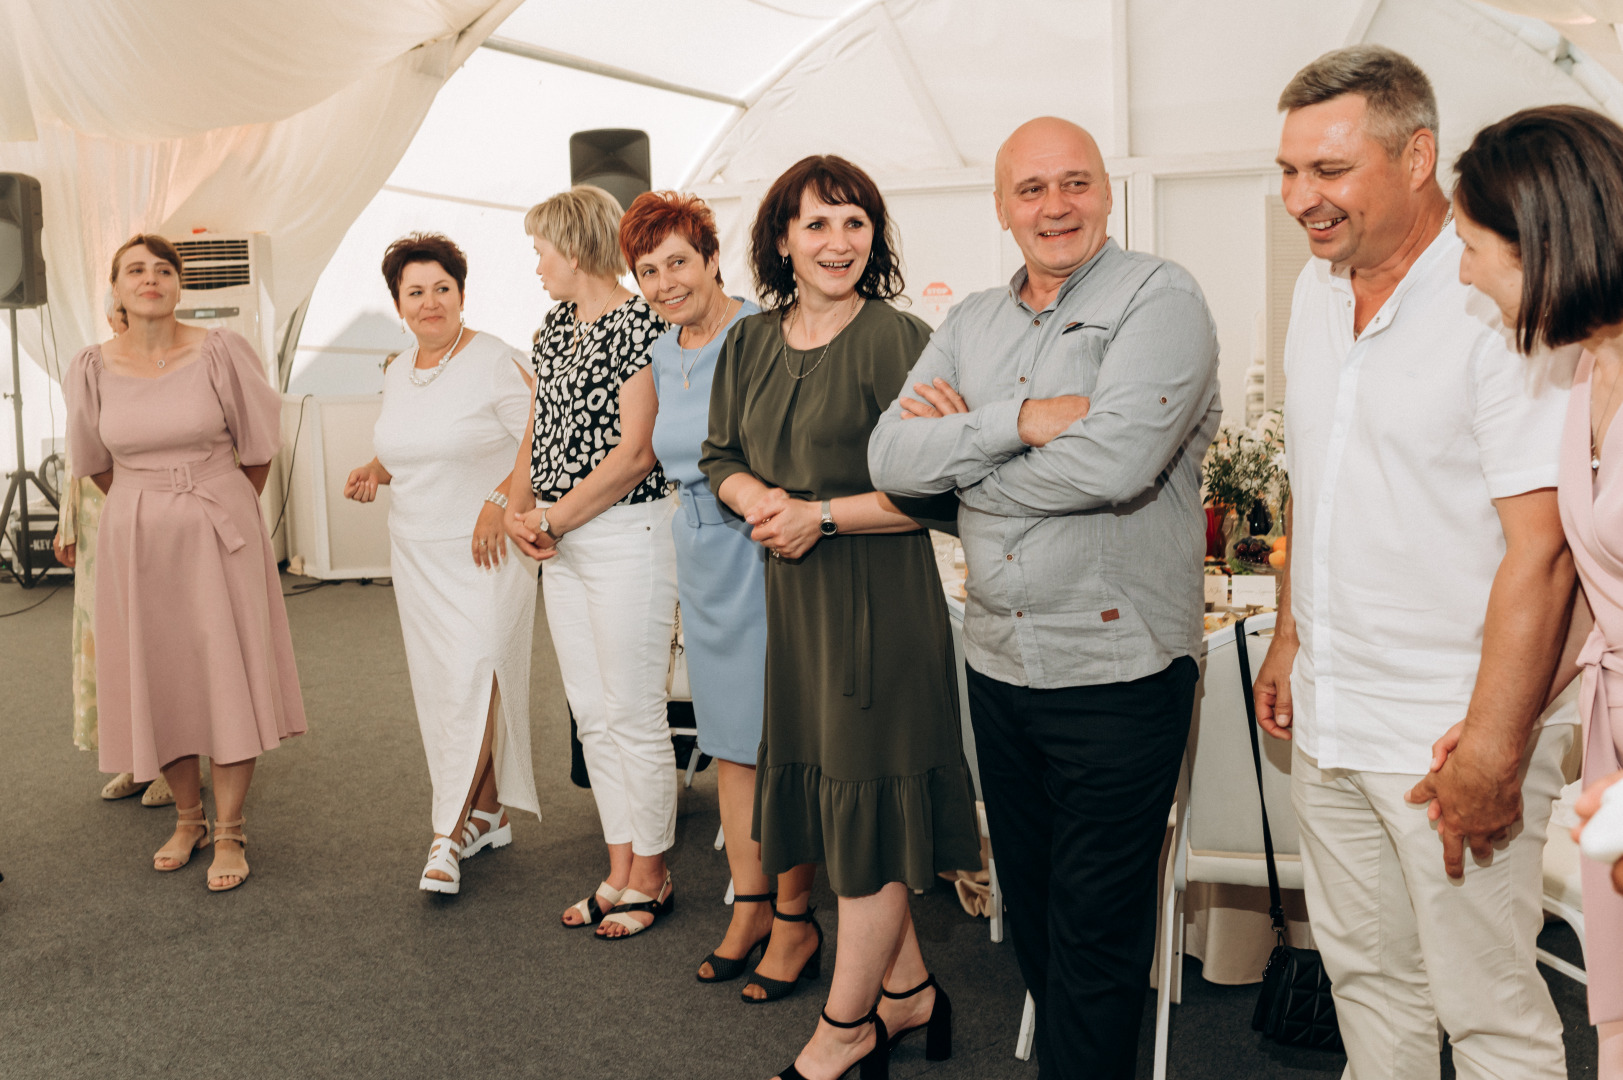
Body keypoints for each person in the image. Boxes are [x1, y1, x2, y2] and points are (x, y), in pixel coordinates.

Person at [869, 118, 1221, 1079]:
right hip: (999, 666)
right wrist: (1020, 422)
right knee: (1031, 913)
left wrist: (966, 466)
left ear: (1106, 194)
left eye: (1073, 184)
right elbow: (889, 458)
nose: (1053, 206)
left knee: (1099, 936)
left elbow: (1116, 462)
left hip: (1119, 669)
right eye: (1030, 189)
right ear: (1000, 208)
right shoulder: (971, 320)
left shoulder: (1160, 298)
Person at [1253, 48, 1575, 1079]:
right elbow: (1318, 474)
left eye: (1330, 171)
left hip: (1448, 735)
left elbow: (1545, 549)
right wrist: (1289, 637)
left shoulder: (1498, 293)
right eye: (1290, 170)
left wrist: (1492, 745)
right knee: (1369, 992)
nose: (1302, 198)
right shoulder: (1314, 289)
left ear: (1418, 154)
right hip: (1331, 714)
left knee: (1487, 1015)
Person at [701, 154, 980, 1079]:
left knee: (870, 814)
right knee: (842, 808)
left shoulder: (901, 340)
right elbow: (718, 455)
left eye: (854, 222)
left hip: (879, 613)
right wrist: (759, 503)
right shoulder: (746, 342)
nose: (837, 242)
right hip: (799, 612)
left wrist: (814, 515)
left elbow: (938, 488)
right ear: (780, 238)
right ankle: (908, 996)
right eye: (816, 224)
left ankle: (844, 1027)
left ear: (875, 237)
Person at [1448, 102, 1623, 1076]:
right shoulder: (1581, 368)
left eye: (1476, 248)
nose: (1464, 272)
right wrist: (1496, 727)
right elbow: (1597, 594)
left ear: (1548, 241)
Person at [65, 234, 306, 892]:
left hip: (217, 529)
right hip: (136, 538)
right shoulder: (90, 367)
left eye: (163, 269)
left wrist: (207, 505)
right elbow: (95, 463)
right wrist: (151, 507)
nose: (150, 279)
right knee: (160, 675)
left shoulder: (221, 351)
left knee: (224, 671)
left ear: (179, 286)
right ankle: (187, 817)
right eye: (135, 270)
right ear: (114, 289)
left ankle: (230, 828)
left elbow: (258, 447)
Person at [617, 191, 790, 981]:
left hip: (758, 551)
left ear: (714, 258)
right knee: (726, 743)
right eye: (647, 271)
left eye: (677, 263)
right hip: (696, 546)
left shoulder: (761, 336)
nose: (663, 284)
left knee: (777, 741)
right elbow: (647, 455)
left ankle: (791, 920)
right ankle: (748, 903)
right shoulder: (661, 352)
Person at [503, 185, 679, 939]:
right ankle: (618, 868)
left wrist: (553, 517)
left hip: (625, 535)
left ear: (574, 247)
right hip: (562, 539)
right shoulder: (553, 325)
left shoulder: (641, 322)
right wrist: (517, 510)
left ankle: (654, 874)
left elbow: (637, 452)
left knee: (634, 711)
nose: (537, 264)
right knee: (593, 715)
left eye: (542, 249)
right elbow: (537, 429)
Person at [343, 233, 541, 895]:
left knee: (474, 674)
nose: (430, 303)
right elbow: (415, 446)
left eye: (442, 289)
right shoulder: (399, 369)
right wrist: (376, 468)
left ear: (461, 294)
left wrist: (496, 500)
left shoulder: (495, 360)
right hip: (419, 553)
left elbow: (539, 446)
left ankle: (444, 833)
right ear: (399, 304)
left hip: (489, 554)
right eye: (415, 292)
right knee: (444, 689)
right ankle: (485, 811)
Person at [57, 295, 176, 807]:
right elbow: (79, 448)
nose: (127, 323)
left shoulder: (175, 364)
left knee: (163, 637)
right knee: (113, 638)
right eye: (120, 313)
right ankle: (137, 757)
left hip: (154, 517)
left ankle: (177, 759)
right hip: (98, 515)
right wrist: (68, 522)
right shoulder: (92, 364)